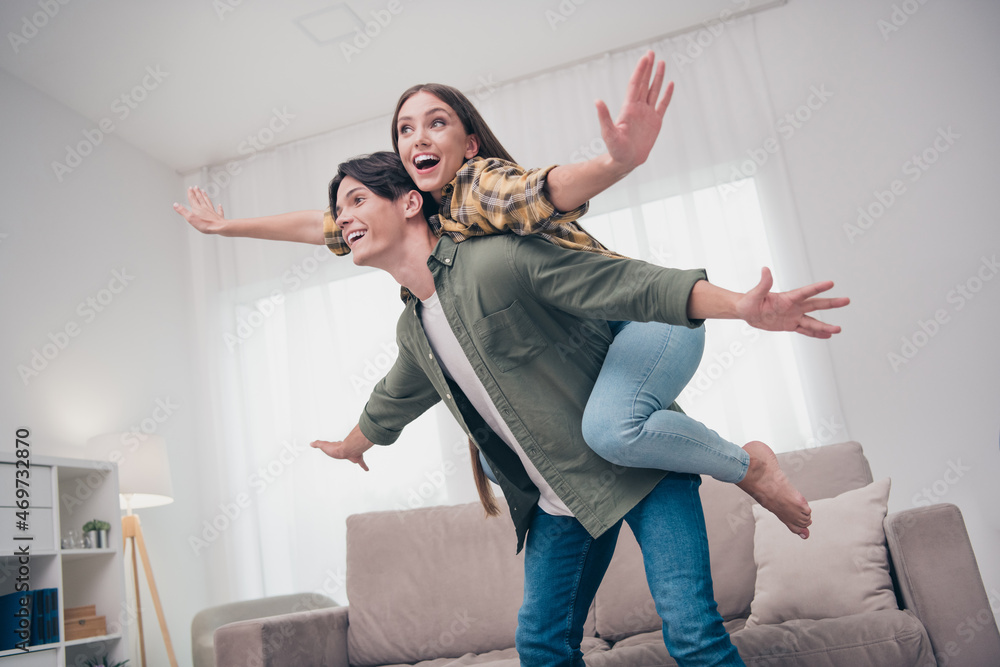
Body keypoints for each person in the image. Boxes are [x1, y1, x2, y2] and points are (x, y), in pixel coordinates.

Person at [174, 52, 816, 537]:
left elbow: (542, 190)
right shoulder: (411, 209)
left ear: (470, 142)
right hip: (603, 336)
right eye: (405, 129)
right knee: (614, 430)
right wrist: (228, 226)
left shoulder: (475, 187)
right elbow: (318, 228)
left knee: (611, 430)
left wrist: (617, 164)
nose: (419, 137)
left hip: (645, 315)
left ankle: (748, 464)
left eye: (437, 123)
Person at [311, 150, 848, 664]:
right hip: (561, 499)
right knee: (543, 648)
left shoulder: (493, 261)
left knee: (694, 636)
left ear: (408, 202)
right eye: (339, 211)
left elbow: (620, 282)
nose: (345, 218)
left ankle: (747, 465)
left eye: (357, 200)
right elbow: (391, 399)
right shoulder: (415, 329)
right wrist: (350, 446)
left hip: (646, 472)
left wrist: (739, 306)